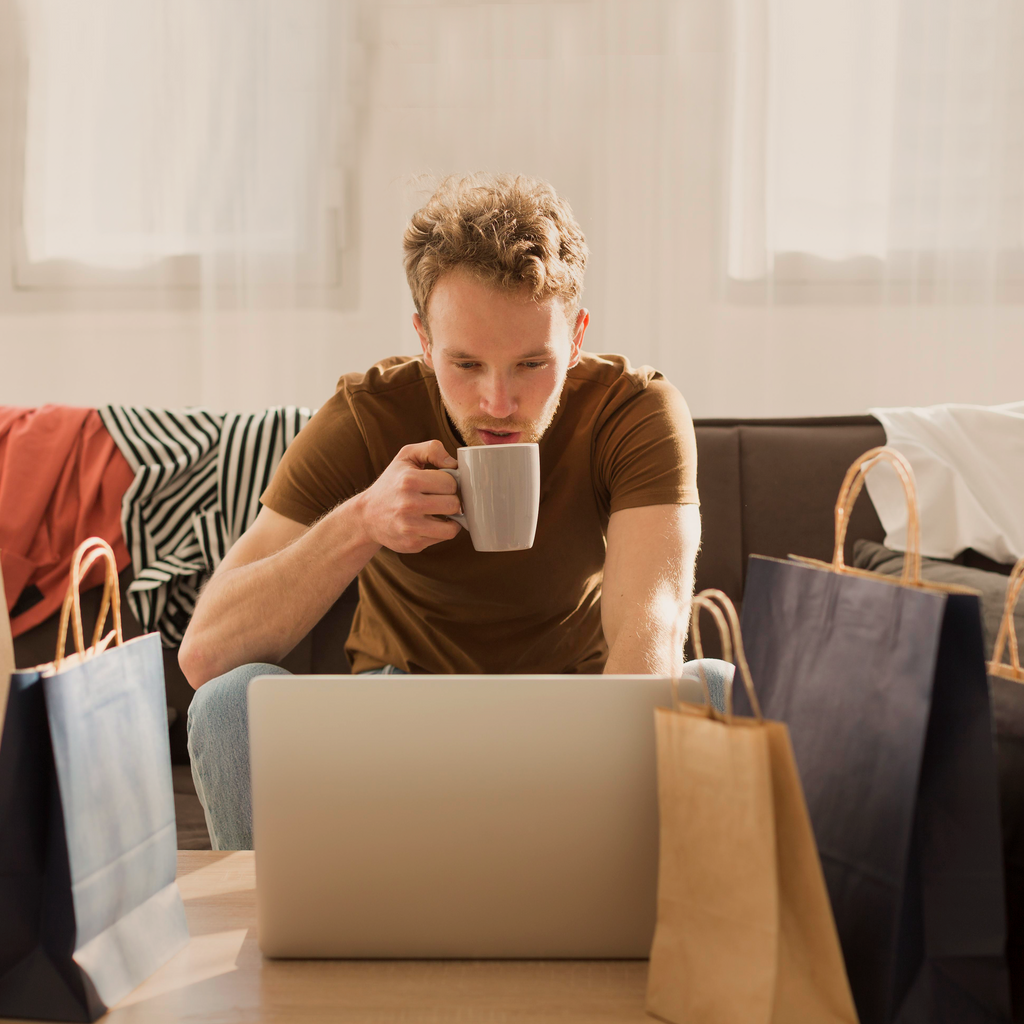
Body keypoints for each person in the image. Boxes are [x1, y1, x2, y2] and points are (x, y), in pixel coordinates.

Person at [179, 173, 731, 850]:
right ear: (423, 340)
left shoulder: (634, 412)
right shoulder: (367, 413)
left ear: (578, 337)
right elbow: (205, 654)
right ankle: (282, 938)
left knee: (713, 688)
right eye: (465, 364)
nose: (498, 403)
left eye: (532, 363)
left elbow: (651, 635)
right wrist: (362, 523)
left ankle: (618, 922)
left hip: (575, 719)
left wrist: (584, 800)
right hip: (400, 727)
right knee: (228, 704)